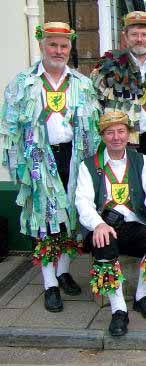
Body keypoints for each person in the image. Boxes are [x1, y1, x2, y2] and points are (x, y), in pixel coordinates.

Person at [0, 22, 101, 312]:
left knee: (70, 216)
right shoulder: (22, 83)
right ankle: (49, 284)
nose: (58, 51)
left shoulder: (82, 83)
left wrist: (93, 166)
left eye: (64, 45)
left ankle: (64, 271)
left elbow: (92, 129)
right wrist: (19, 168)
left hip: (75, 156)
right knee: (45, 221)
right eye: (52, 45)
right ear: (42, 46)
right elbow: (9, 129)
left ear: (70, 48)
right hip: (37, 160)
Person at [75, 111, 146, 337]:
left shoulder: (141, 161)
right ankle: (119, 310)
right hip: (104, 228)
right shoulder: (88, 166)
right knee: (103, 242)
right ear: (102, 136)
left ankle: (142, 297)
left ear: (129, 134)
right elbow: (83, 201)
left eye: (121, 131)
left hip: (133, 226)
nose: (116, 137)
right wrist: (97, 224)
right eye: (110, 132)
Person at [92, 11, 146, 159]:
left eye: (143, 35)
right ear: (125, 37)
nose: (139, 39)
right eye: (134, 35)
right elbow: (96, 105)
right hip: (122, 142)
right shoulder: (109, 66)